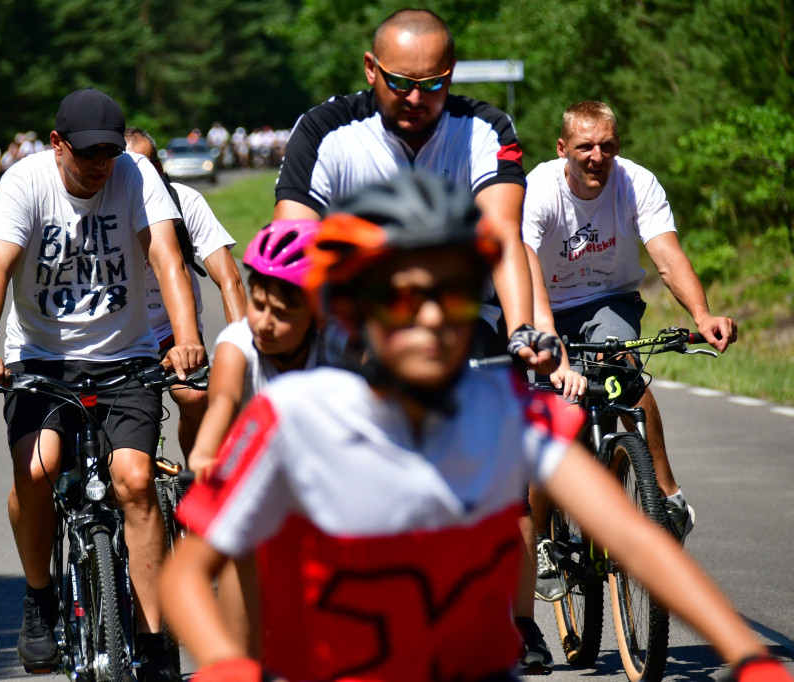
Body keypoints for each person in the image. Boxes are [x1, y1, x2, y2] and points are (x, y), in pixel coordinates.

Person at [159, 169, 791, 682]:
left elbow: (635, 540)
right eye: (406, 298)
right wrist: (226, 664)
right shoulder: (293, 417)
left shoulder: (502, 411)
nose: (434, 318)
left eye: (455, 294)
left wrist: (751, 656)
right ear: (353, 311)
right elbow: (189, 572)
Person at [272, 8, 562, 667]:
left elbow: (503, 239)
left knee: (504, 470)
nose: (415, 99)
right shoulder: (324, 130)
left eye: (432, 85)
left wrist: (521, 328)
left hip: (462, 318)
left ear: (450, 76)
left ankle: (519, 623)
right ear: (370, 69)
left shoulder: (484, 128)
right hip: (358, 319)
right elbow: (291, 243)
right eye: (400, 82)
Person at [0, 87, 204, 681]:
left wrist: (189, 338)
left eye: (110, 153)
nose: (101, 165)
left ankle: (152, 640)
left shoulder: (135, 173)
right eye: (88, 153)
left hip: (126, 359)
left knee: (137, 481)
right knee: (38, 470)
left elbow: (168, 259)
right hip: (40, 361)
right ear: (57, 144)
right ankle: (40, 598)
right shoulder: (25, 184)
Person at [522, 100, 739, 597]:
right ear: (563, 150)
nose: (597, 156)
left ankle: (666, 495)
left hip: (608, 300)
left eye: (607, 146)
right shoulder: (539, 189)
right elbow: (525, 262)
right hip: (546, 304)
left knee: (622, 366)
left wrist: (702, 317)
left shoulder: (636, 182)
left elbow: (667, 256)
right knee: (556, 419)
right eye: (585, 147)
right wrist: (545, 335)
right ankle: (538, 541)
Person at [185, 219, 324, 657]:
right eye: (259, 304)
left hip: (320, 475)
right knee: (241, 551)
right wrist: (206, 452)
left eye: (282, 313)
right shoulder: (238, 342)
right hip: (253, 467)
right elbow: (223, 400)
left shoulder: (341, 347)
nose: (264, 321)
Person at [124, 127, 247, 457]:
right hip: (120, 336)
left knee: (195, 398)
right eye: (133, 167)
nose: (148, 175)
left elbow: (230, 279)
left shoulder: (185, 201)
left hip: (173, 332)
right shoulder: (107, 206)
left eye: (152, 164)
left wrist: (243, 348)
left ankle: (196, 476)